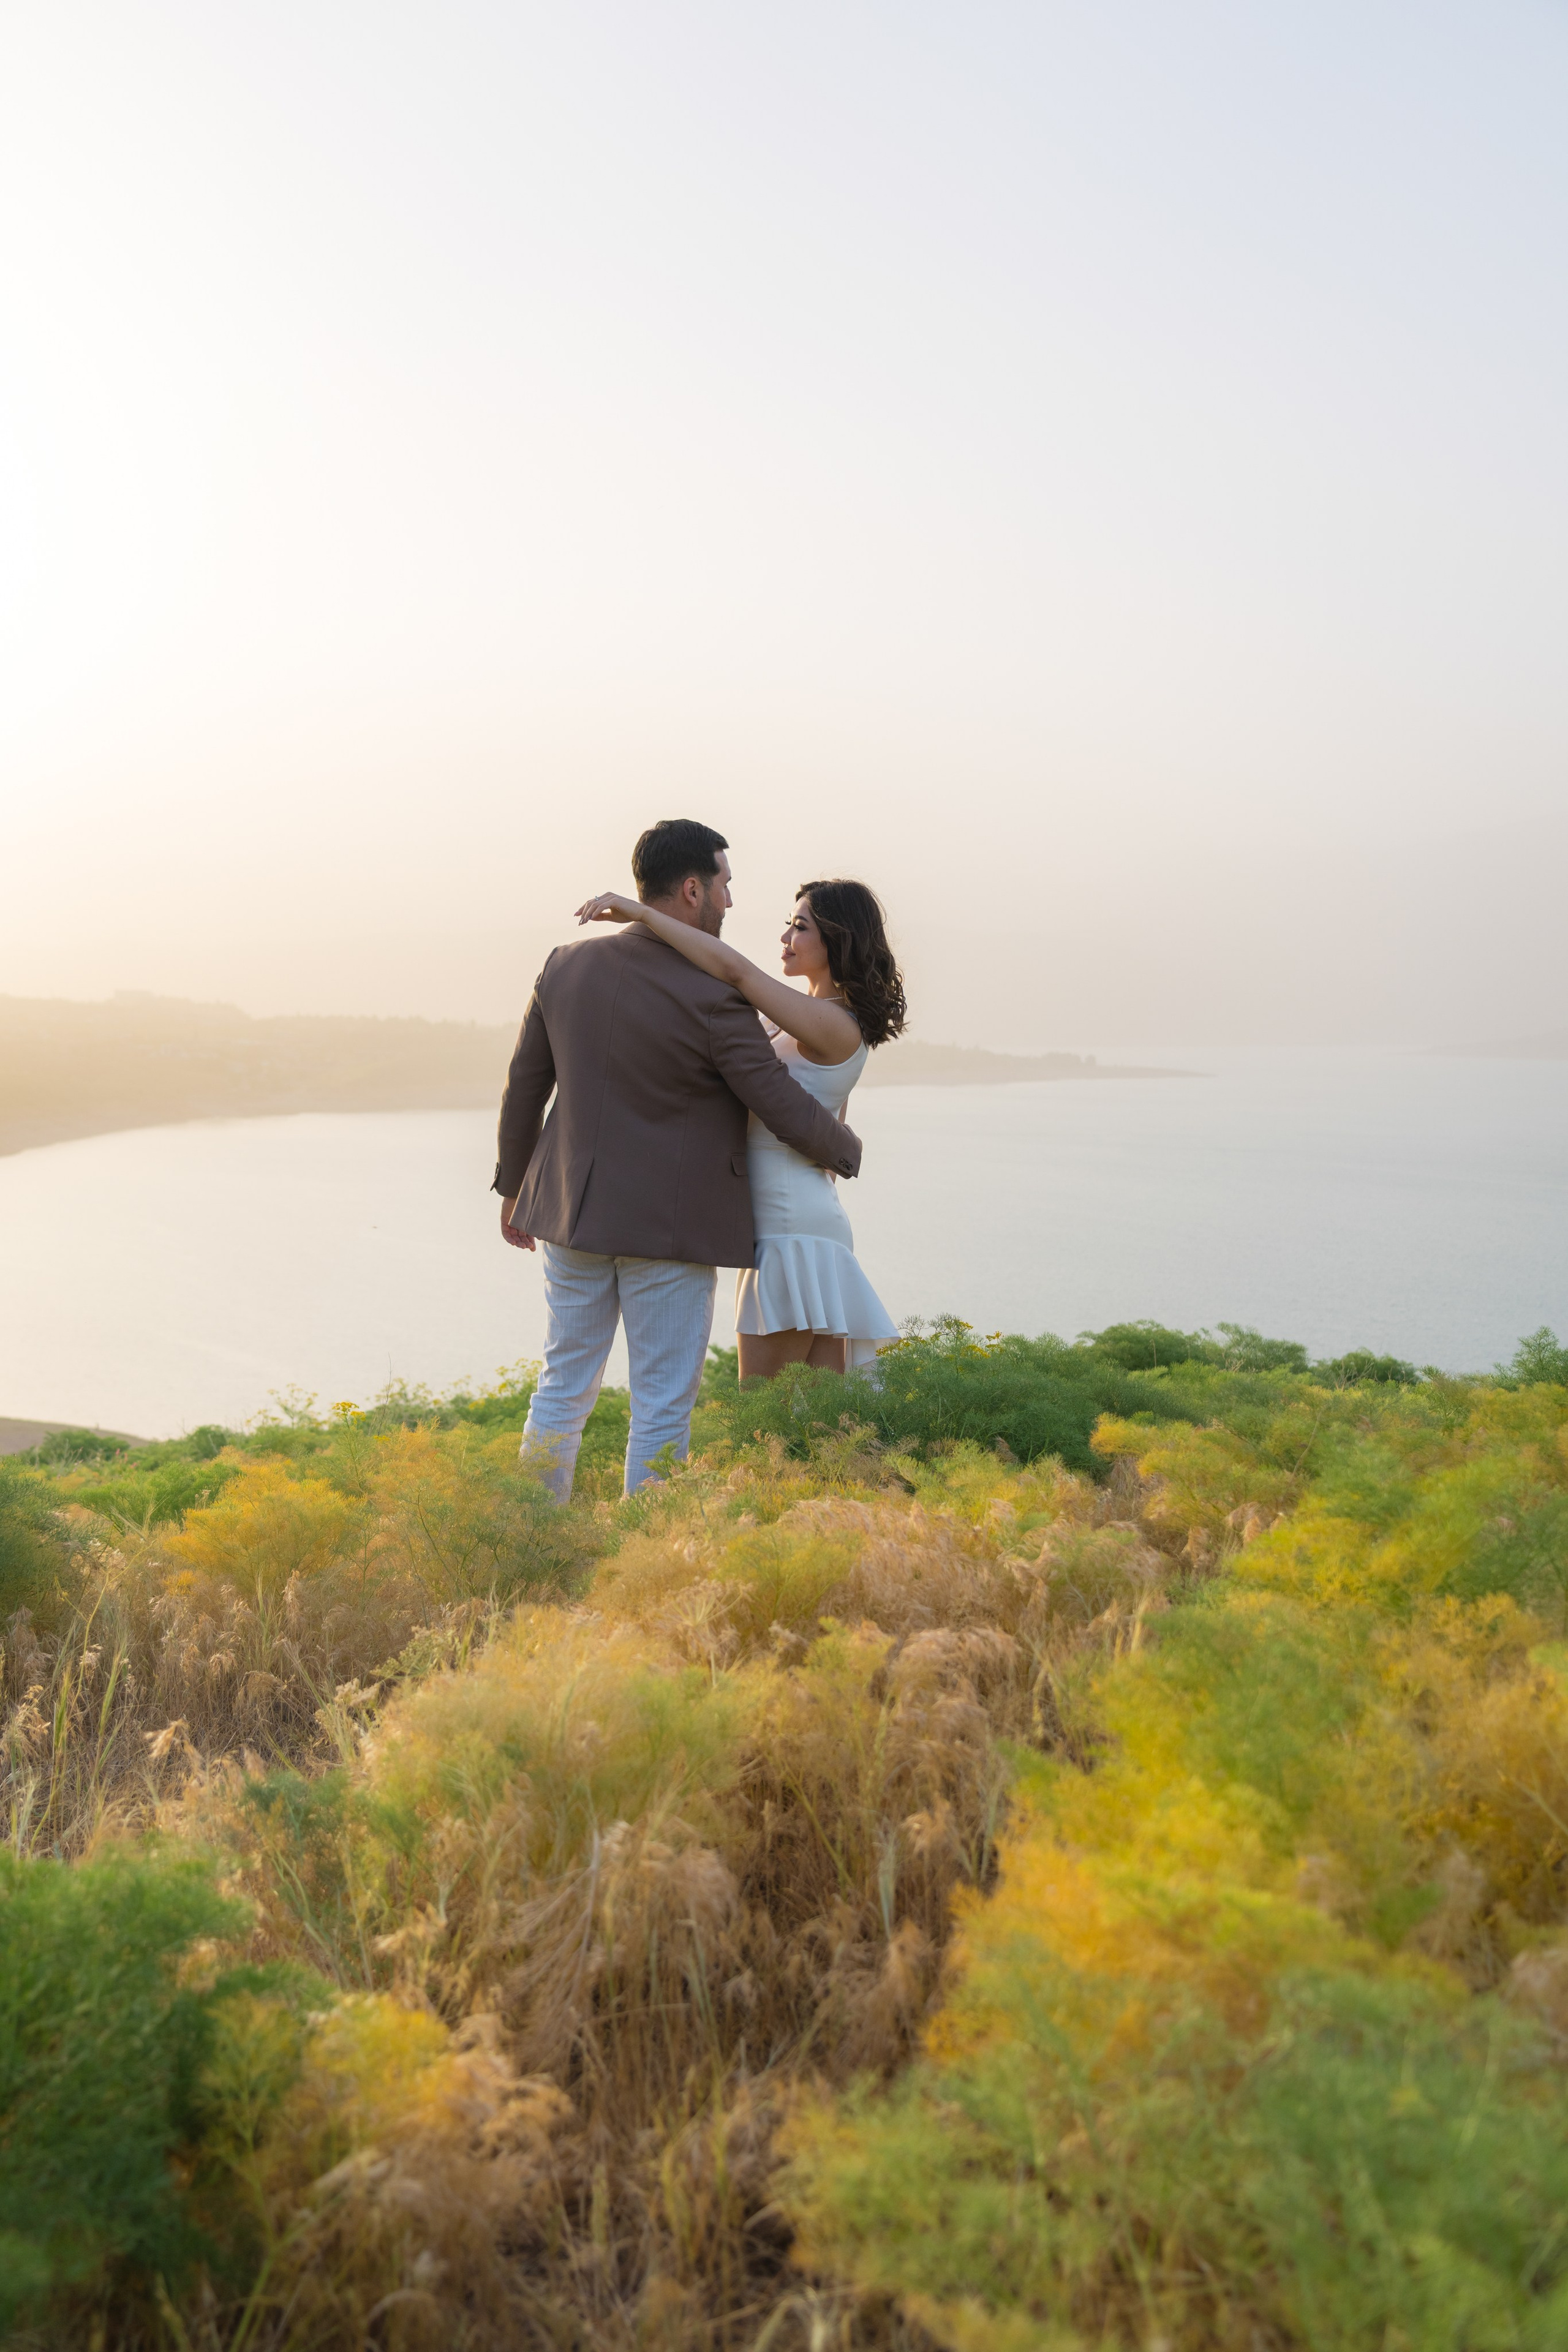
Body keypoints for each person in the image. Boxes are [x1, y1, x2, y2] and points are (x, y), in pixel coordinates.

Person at [494, 818, 862, 1502]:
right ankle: (646, 1545)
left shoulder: (564, 964)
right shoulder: (714, 994)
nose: (730, 901)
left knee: (561, 1384)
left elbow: (525, 1087)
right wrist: (847, 1150)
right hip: (669, 1229)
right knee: (662, 1402)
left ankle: (527, 1530)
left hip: (569, 1215)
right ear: (693, 889)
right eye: (725, 885)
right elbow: (776, 1100)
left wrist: (513, 1188)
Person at [572, 874, 905, 1380]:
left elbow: (735, 971)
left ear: (839, 940)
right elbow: (829, 1133)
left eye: (800, 928)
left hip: (788, 1232)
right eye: (789, 924)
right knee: (821, 1420)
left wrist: (643, 915)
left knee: (762, 1410)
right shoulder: (812, 1020)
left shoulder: (833, 1024)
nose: (785, 938)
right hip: (803, 1224)